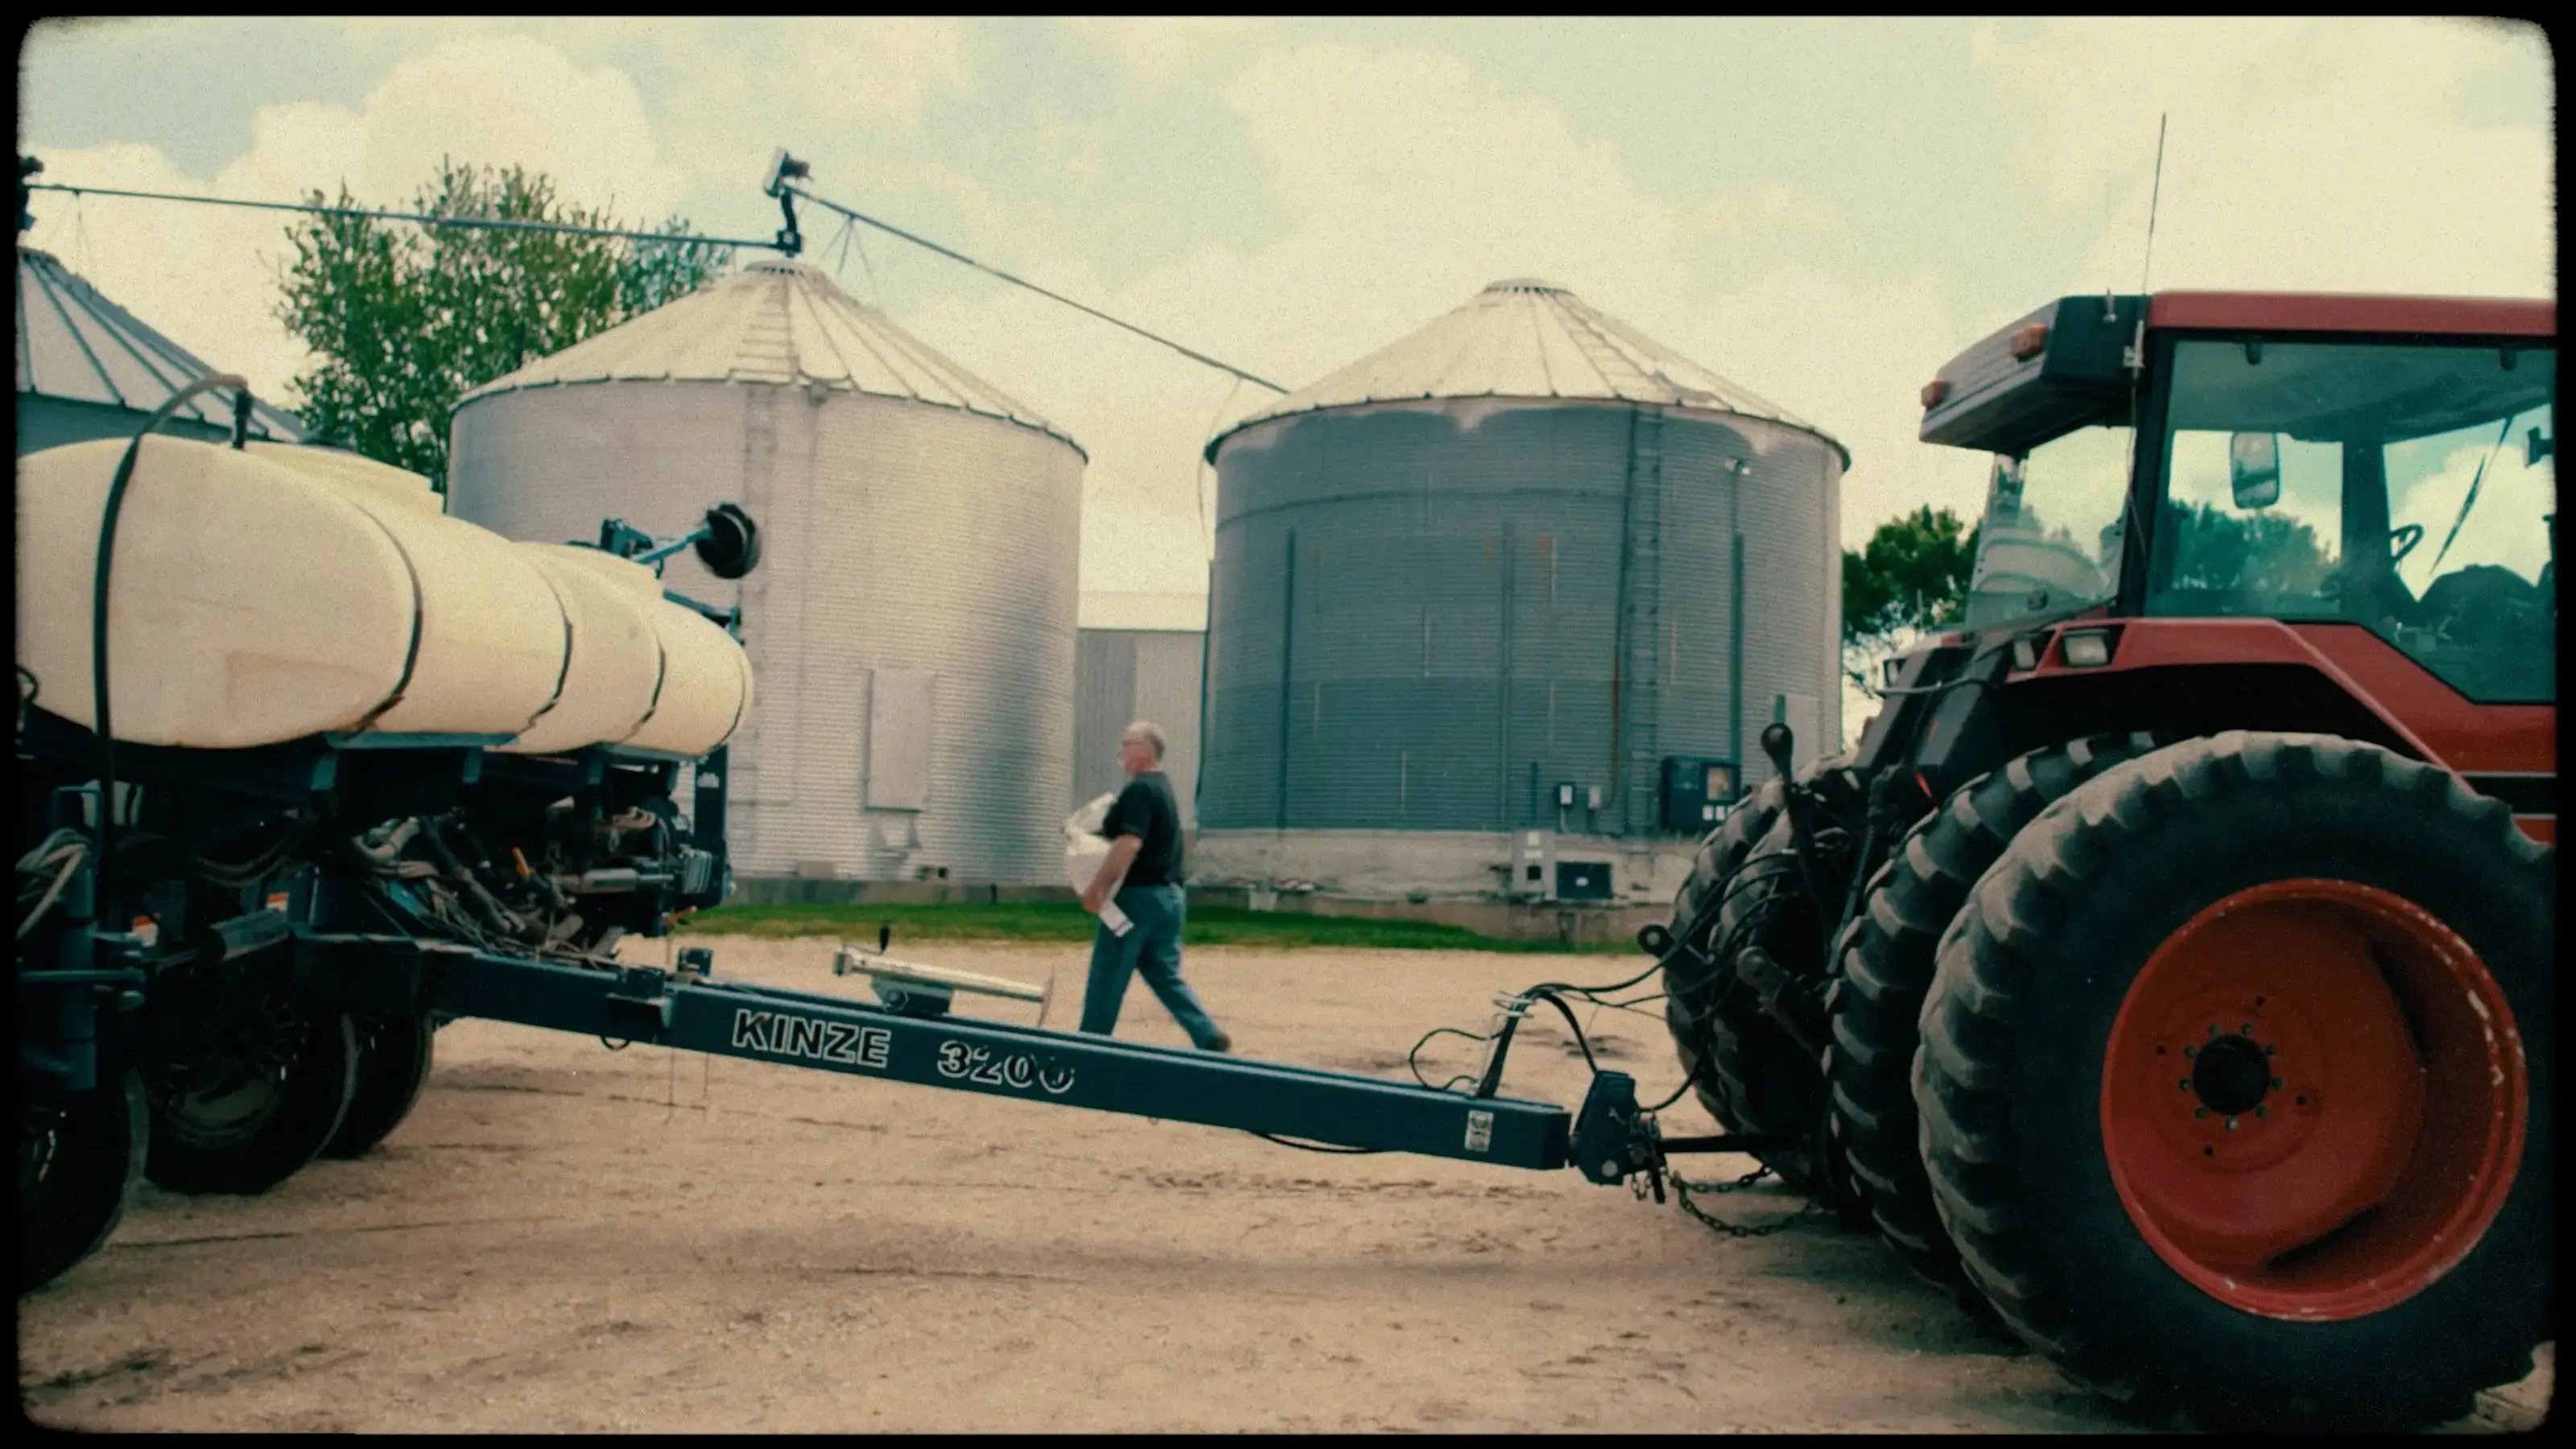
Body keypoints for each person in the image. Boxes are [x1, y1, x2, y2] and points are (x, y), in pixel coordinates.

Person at [1076, 721, 1230, 1052]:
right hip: (1171, 898)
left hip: (1138, 897)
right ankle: (1206, 1032)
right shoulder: (1164, 788)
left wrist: (1098, 887)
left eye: (1125, 745)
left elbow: (1129, 843)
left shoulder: (1140, 789)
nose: (1121, 753)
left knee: (1108, 973)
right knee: (1162, 972)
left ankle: (1088, 1047)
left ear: (1145, 749)